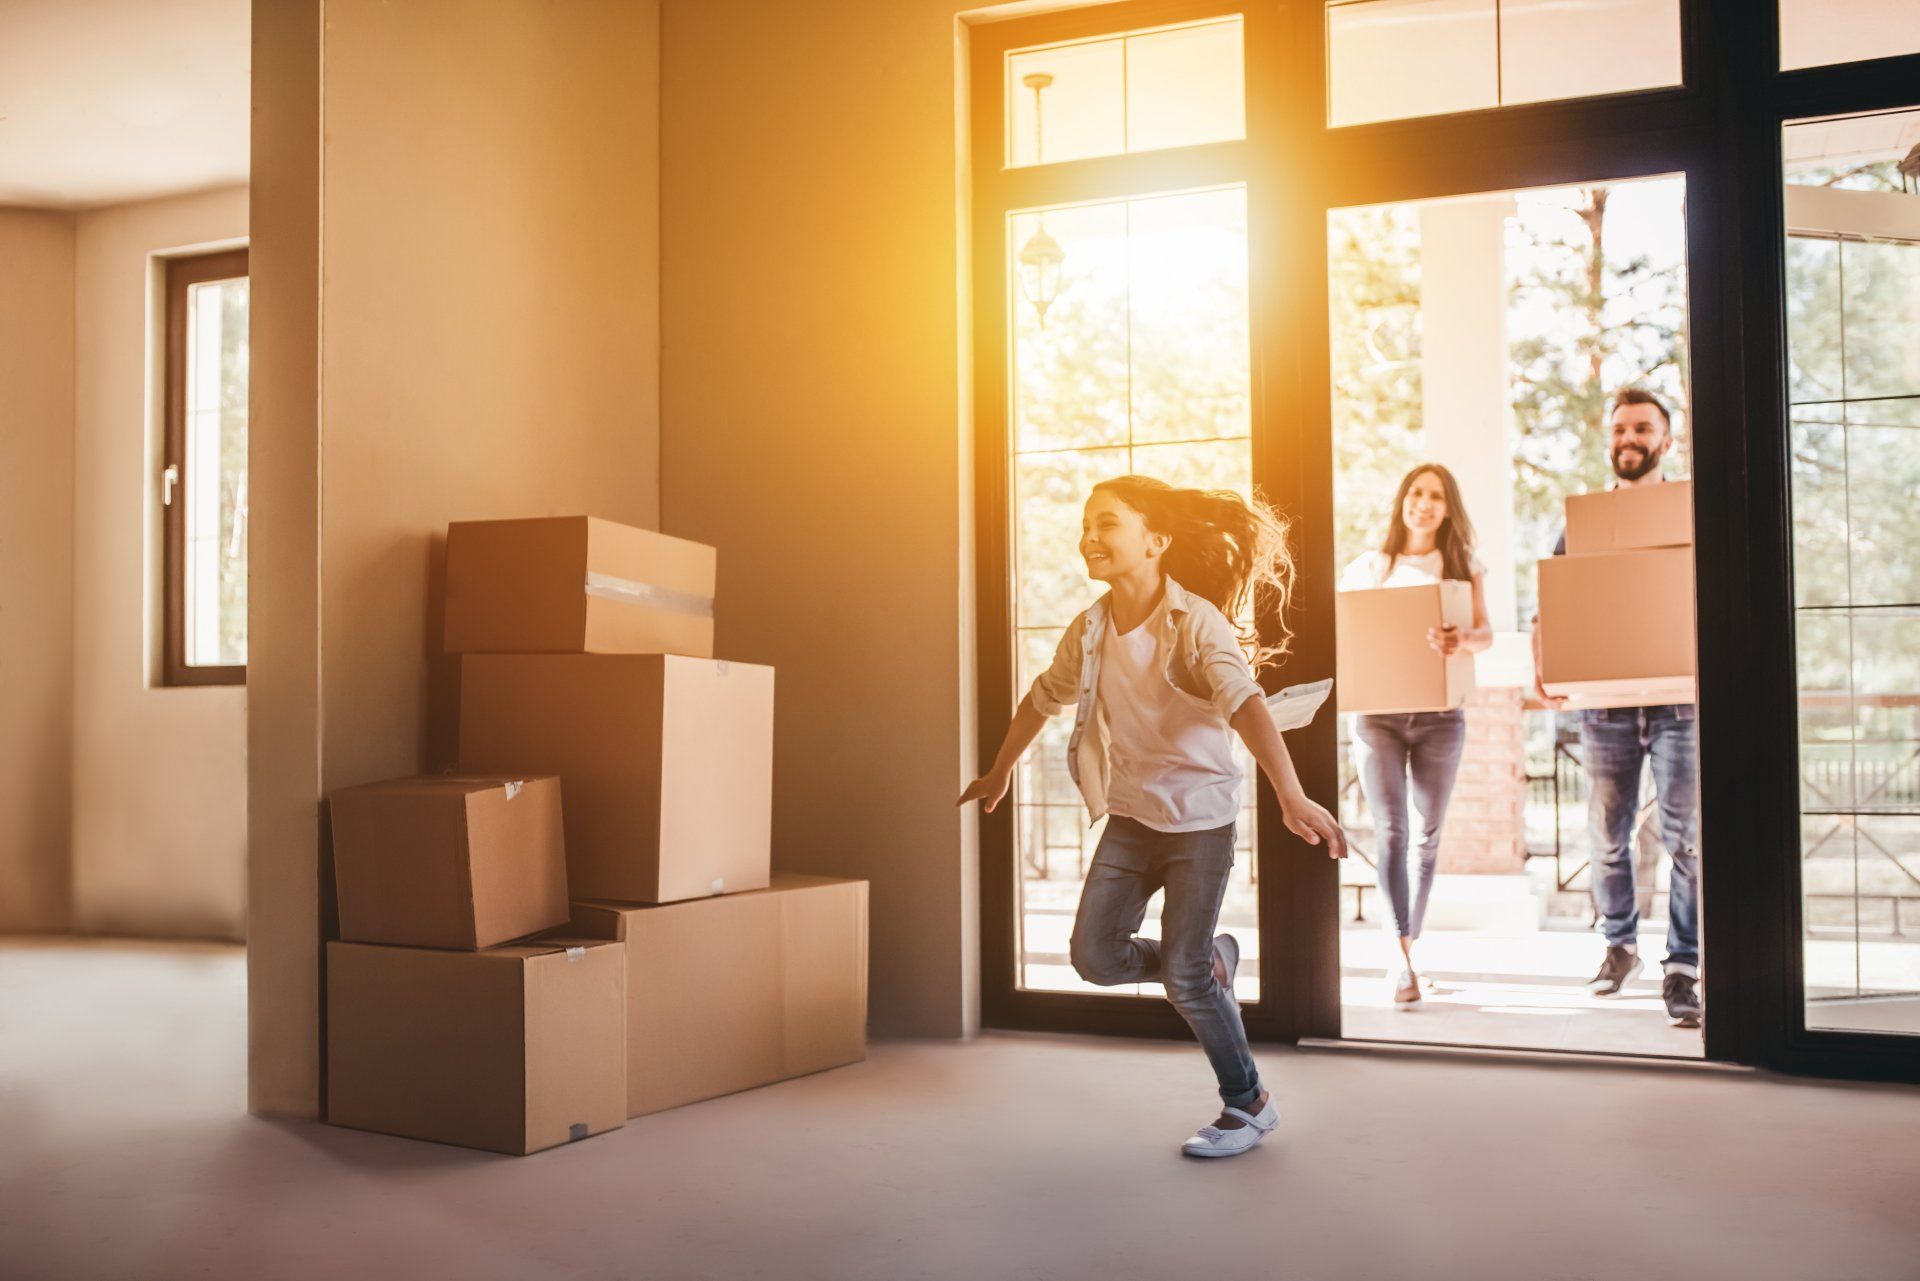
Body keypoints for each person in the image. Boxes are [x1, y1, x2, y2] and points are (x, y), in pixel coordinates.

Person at [958, 475, 1346, 1159]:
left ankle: (1248, 1101)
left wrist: (1289, 793)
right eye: (1085, 523)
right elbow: (1041, 697)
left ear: (1155, 540)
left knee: (1185, 981)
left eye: (1107, 522)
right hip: (1133, 818)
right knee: (1093, 956)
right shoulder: (1090, 628)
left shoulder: (1196, 621)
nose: (1090, 536)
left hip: (1201, 821)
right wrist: (1000, 770)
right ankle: (1203, 961)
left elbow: (1247, 703)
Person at [1532, 388, 1703, 1029]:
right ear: (1610, 440)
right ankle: (1619, 946)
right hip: (1603, 707)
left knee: (1686, 841)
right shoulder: (1581, 524)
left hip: (1678, 702)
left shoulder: (1687, 514)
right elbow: (1551, 604)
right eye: (1621, 429)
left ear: (1665, 439)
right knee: (1607, 837)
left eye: (1643, 428)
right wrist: (1544, 669)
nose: (1629, 438)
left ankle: (1683, 966)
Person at [1340, 464, 1493, 1005]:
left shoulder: (1462, 566)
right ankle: (1399, 957)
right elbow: (1348, 633)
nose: (1423, 503)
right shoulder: (1369, 567)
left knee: (1426, 838)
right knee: (1391, 831)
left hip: (1439, 718)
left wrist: (1461, 639)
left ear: (1448, 508)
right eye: (1415, 492)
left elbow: (1485, 635)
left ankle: (1408, 949)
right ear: (1402, 501)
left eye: (1435, 496)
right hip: (1378, 717)